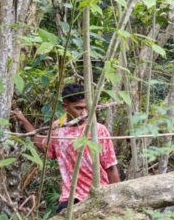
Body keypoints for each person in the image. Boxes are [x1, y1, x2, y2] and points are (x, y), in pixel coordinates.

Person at [12, 83, 120, 213]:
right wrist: (24, 121)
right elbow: (44, 146)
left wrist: (116, 199)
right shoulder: (58, 129)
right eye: (78, 108)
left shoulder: (98, 130)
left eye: (86, 108)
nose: (84, 113)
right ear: (65, 106)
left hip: (98, 194)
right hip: (70, 198)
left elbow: (111, 167)